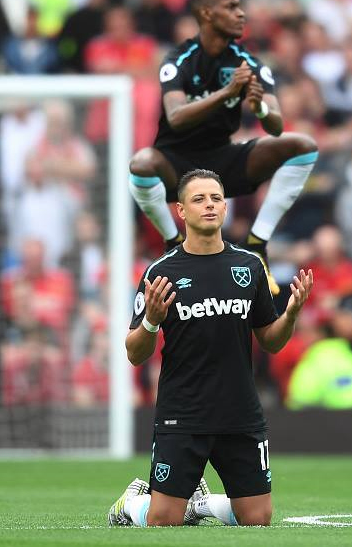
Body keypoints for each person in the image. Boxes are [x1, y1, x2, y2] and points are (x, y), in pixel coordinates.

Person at [109, 169, 313, 527]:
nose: (209, 205)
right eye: (199, 199)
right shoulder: (161, 272)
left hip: (239, 412)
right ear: (181, 211)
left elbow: (271, 340)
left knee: (257, 519)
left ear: (225, 207)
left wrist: (291, 313)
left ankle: (199, 505)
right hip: (183, 412)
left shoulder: (249, 266)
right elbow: (134, 352)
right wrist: (152, 321)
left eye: (216, 198)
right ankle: (130, 505)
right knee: (162, 522)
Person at [129, 0, 318, 295]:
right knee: (141, 163)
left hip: (222, 160)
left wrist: (258, 106)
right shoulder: (179, 60)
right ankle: (173, 243)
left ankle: (258, 242)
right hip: (177, 165)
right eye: (231, 7)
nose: (241, 13)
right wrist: (227, 93)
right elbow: (176, 117)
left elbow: (274, 125)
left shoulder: (250, 63)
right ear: (206, 13)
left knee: (303, 147)